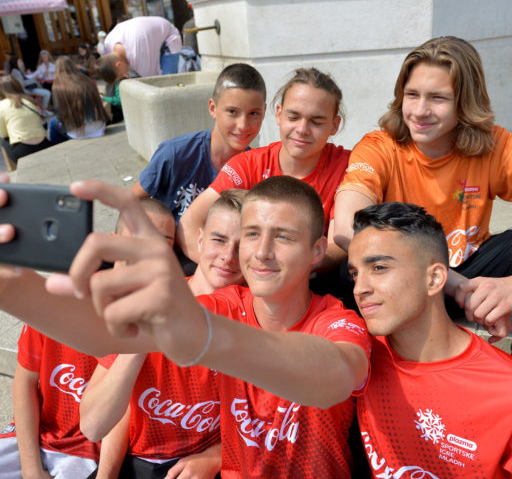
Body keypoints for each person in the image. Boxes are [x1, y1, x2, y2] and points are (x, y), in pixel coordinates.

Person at [0, 175, 370, 478]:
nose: (261, 251)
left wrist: (210, 337)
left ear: (318, 251)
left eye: (283, 236)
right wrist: (11, 287)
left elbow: (336, 373)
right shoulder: (217, 309)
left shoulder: (338, 320)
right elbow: (101, 335)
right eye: (253, 233)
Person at [334, 36, 512, 339]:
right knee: (349, 269)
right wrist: (454, 284)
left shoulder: (495, 145)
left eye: (438, 98)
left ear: (465, 102)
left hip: (471, 271)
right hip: (407, 275)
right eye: (412, 95)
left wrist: (508, 287)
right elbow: (346, 227)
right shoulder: (380, 146)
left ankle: (490, 305)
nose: (419, 110)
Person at [82, 191, 245, 479]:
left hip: (215, 461)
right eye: (218, 239)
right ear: (198, 239)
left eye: (243, 246)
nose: (228, 257)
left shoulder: (254, 315)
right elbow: (97, 423)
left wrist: (218, 455)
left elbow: (274, 420)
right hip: (144, 459)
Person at [347, 201, 512, 478]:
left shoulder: (503, 390)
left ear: (435, 279)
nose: (359, 288)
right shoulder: (357, 356)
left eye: (378, 268)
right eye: (354, 273)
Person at [177, 67, 350, 272]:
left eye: (316, 121)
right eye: (293, 117)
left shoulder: (347, 167)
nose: (302, 129)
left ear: (334, 125)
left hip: (307, 278)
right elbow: (188, 225)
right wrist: (232, 272)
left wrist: (276, 273)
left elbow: (338, 244)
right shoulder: (248, 164)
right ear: (278, 114)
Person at [132, 63, 266, 224]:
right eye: (232, 112)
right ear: (212, 108)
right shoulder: (175, 153)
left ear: (264, 112)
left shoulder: (257, 170)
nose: (243, 125)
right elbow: (130, 202)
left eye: (254, 113)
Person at [0, 326, 100, 478]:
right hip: (36, 431)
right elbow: (24, 383)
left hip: (87, 449)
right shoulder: (44, 313)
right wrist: (31, 469)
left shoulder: (120, 333)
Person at [49, 57, 107, 143]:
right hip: (99, 126)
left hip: (78, 133)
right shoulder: (87, 80)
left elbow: (59, 115)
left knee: (53, 123)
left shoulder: (58, 86)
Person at [104, 16, 182, 77]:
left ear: (118, 64)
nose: (124, 75)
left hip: (169, 36)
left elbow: (154, 79)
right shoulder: (107, 44)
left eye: (121, 75)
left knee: (167, 80)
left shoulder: (137, 55)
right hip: (148, 35)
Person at [0, 75, 51, 164]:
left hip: (23, 151)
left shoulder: (2, 105)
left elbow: (3, 134)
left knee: (3, 141)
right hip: (44, 144)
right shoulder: (30, 100)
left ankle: (13, 169)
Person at [95, 52, 133, 124]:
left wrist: (103, 97)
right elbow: (118, 100)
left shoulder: (118, 82)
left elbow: (117, 100)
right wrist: (103, 97)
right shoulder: (120, 82)